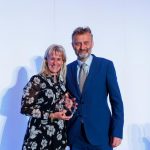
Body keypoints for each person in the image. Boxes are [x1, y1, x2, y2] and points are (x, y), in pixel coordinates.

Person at [66, 27, 124, 150]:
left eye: (86, 43)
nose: (82, 47)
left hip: (101, 135)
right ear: (72, 45)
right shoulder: (67, 70)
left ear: (92, 43)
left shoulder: (106, 66)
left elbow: (116, 101)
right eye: (78, 44)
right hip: (75, 136)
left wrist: (117, 131)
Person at [21, 44, 75, 150]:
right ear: (46, 60)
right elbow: (25, 109)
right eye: (52, 59)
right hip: (39, 136)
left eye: (59, 59)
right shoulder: (36, 80)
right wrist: (52, 115)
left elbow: (64, 105)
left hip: (58, 137)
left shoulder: (62, 82)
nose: (55, 63)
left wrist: (69, 105)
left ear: (63, 61)